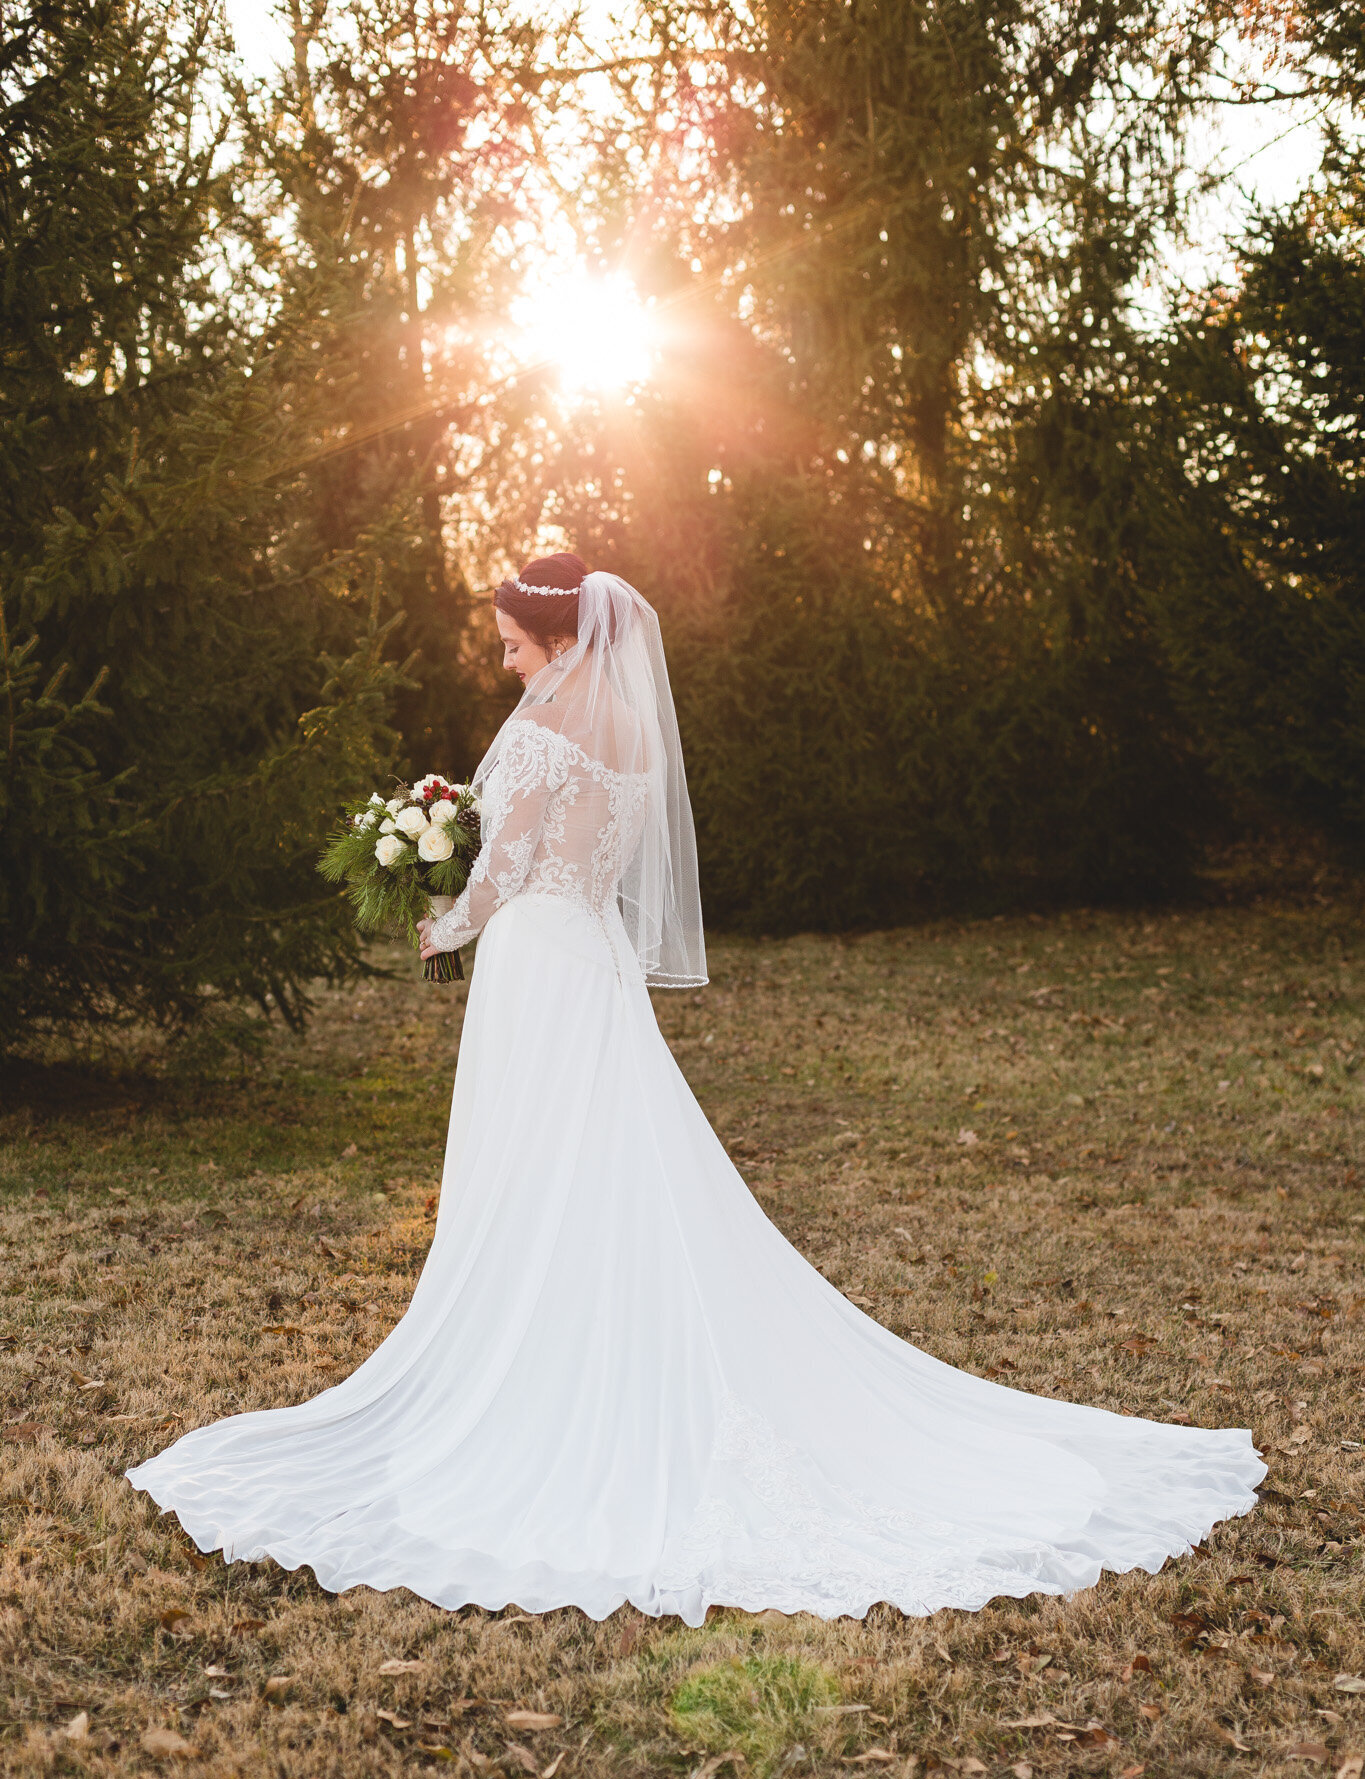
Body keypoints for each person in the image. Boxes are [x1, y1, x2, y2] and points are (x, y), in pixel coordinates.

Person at [128, 556, 1265, 1621]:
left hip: (534, 961)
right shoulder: (632, 731)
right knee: (606, 1163)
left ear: (559, 635)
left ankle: (544, 1376)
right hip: (595, 964)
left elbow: (503, 865)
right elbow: (591, 863)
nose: (506, 663)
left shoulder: (536, 734)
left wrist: (440, 917)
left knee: (540, 1166)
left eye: (514, 643)